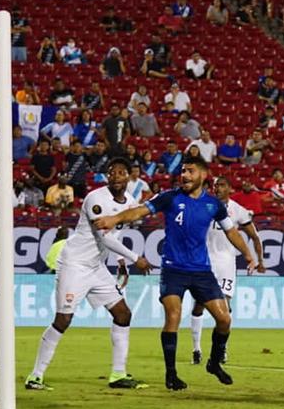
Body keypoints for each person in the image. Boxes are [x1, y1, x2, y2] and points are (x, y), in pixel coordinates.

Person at [95, 156, 259, 391]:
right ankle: (171, 375)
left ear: (203, 175)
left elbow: (232, 232)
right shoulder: (170, 197)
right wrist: (114, 219)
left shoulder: (213, 205)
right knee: (173, 317)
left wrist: (249, 255)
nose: (184, 175)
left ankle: (213, 362)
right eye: (183, 171)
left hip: (202, 271)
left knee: (224, 319)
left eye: (190, 171)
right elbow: (139, 211)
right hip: (173, 269)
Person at [24, 159, 155, 391]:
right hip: (74, 264)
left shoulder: (131, 203)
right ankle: (35, 375)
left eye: (121, 173)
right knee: (63, 320)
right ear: (107, 177)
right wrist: (136, 258)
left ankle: (118, 374)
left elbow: (117, 234)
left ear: (129, 178)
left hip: (96, 267)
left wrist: (121, 261)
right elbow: (104, 236)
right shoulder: (96, 199)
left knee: (123, 314)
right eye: (112, 173)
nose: (116, 176)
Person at [189, 177, 266, 364]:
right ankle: (196, 349)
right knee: (199, 305)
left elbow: (254, 237)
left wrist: (260, 261)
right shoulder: (202, 205)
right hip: (203, 263)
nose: (217, 188)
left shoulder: (238, 210)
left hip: (226, 264)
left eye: (222, 185)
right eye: (215, 185)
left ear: (230, 188)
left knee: (225, 308)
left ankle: (222, 349)